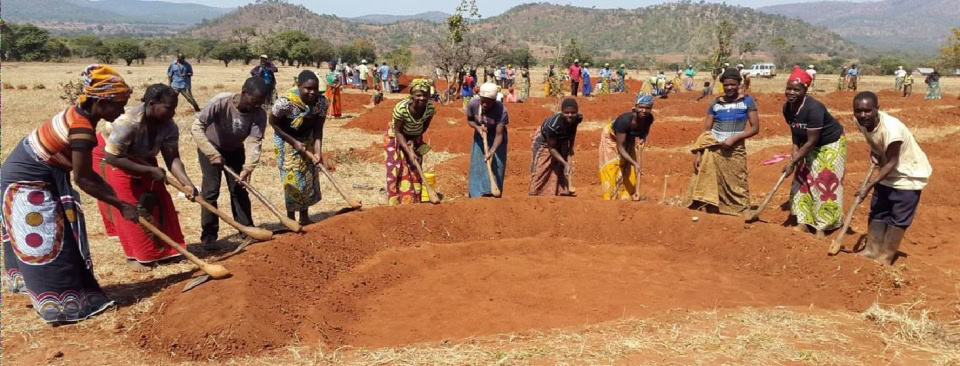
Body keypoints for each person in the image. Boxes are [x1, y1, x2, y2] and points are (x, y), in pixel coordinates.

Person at [2, 65, 134, 324]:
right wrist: (121, 205)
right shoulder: (81, 128)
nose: (121, 111)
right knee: (48, 239)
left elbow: (86, 173)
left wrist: (118, 200)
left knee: (52, 234)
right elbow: (83, 178)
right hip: (28, 178)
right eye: (118, 104)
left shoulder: (80, 115)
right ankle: (62, 305)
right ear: (100, 102)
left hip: (36, 171)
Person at [97, 84, 198, 272]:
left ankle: (167, 252)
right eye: (169, 108)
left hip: (142, 157)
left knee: (160, 201)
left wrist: (187, 183)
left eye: (175, 108)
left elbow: (172, 157)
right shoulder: (128, 122)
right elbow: (113, 157)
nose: (173, 113)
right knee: (128, 205)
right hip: (112, 156)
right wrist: (150, 171)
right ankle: (134, 256)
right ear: (152, 104)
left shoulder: (169, 126)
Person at [852, 91, 931, 265]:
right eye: (858, 111)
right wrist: (875, 152)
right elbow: (876, 142)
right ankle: (871, 250)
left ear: (877, 109)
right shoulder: (860, 122)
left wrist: (868, 186)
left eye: (867, 110)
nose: (862, 115)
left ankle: (885, 257)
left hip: (907, 175)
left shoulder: (892, 130)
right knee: (879, 211)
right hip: (887, 173)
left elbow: (892, 162)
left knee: (898, 218)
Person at [191, 78, 269, 249]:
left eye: (261, 103)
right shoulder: (220, 102)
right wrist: (212, 154)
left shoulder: (259, 114)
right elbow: (197, 128)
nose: (256, 106)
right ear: (243, 93)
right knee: (211, 191)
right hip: (210, 147)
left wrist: (248, 168)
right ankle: (209, 236)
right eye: (254, 101)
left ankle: (246, 229)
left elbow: (253, 142)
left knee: (239, 189)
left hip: (235, 150)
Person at [683, 68, 760, 215]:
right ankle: (713, 208)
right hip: (713, 148)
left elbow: (755, 128)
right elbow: (707, 132)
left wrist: (734, 138)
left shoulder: (747, 102)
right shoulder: (716, 103)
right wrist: (699, 154)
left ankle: (740, 209)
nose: (729, 88)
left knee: (738, 181)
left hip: (735, 149)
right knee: (710, 180)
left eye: (733, 84)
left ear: (739, 84)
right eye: (726, 85)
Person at [783, 66, 846, 237]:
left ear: (805, 89)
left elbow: (812, 141)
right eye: (789, 88)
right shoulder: (787, 108)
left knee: (825, 181)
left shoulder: (814, 109)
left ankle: (823, 226)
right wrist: (794, 155)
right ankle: (803, 221)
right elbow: (795, 133)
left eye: (796, 89)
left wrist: (792, 162)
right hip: (807, 144)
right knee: (802, 179)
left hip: (829, 144)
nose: (791, 92)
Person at [270, 70, 328, 225]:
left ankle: (304, 216)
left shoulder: (322, 102)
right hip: (286, 141)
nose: (312, 92)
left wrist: (318, 152)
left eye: (315, 88)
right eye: (307, 88)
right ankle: (290, 219)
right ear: (299, 86)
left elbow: (318, 129)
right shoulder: (285, 102)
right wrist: (294, 142)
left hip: (307, 139)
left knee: (307, 177)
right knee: (292, 178)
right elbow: (273, 123)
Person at [385, 79, 436, 205]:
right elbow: (398, 131)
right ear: (412, 95)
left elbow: (424, 127)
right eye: (418, 95)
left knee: (415, 167)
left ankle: (413, 200)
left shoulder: (430, 109)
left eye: (425, 95)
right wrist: (408, 151)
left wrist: (413, 140)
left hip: (415, 136)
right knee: (397, 168)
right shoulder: (401, 108)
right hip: (396, 137)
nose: (422, 98)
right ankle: (396, 201)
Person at [599, 93, 655, 201]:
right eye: (641, 107)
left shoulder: (649, 118)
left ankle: (625, 197)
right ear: (635, 108)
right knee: (612, 166)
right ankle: (610, 199)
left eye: (647, 108)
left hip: (628, 137)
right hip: (611, 138)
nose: (644, 110)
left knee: (628, 167)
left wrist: (643, 138)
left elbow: (645, 130)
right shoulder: (624, 121)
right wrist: (635, 163)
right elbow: (620, 148)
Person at [530, 98, 582, 196]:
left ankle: (560, 192)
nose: (570, 115)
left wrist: (571, 146)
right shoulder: (553, 125)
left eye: (573, 112)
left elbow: (573, 129)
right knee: (543, 167)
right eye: (566, 112)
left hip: (562, 138)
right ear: (562, 112)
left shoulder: (578, 118)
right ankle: (535, 194)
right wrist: (565, 163)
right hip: (545, 141)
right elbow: (552, 149)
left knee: (559, 167)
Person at [466, 83, 509, 197]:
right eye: (482, 100)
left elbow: (499, 134)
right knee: (478, 164)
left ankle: (492, 193)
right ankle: (476, 194)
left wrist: (492, 151)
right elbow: (470, 120)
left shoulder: (501, 110)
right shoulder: (473, 104)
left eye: (488, 101)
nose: (484, 104)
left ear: (494, 100)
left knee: (497, 164)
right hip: (480, 136)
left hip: (497, 138)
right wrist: (478, 127)